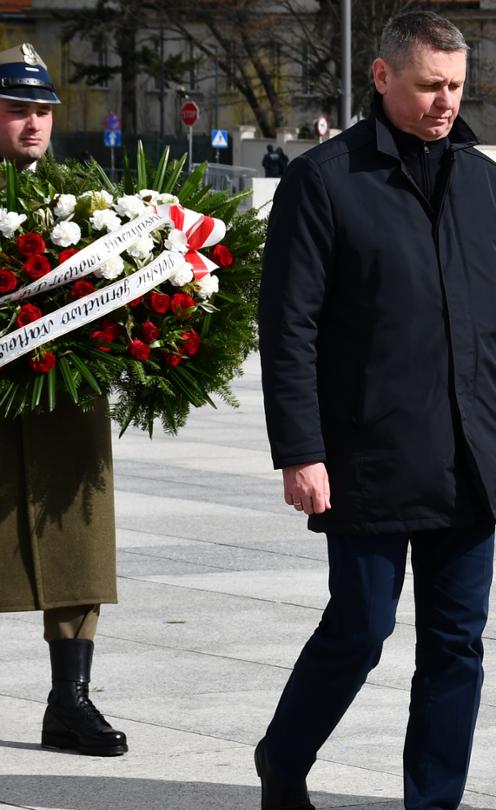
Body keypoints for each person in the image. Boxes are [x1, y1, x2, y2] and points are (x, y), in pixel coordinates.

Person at [254, 12, 496, 810]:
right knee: (361, 627)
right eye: (428, 86)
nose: (445, 102)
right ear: (382, 77)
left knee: (457, 644)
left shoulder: (484, 183)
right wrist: (300, 451)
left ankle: (433, 801)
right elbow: (289, 329)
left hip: (470, 458)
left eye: (455, 86)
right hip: (367, 457)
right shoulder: (323, 180)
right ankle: (284, 755)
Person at [0, 41, 130, 760]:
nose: (34, 124)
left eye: (42, 111)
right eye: (18, 109)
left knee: (74, 546)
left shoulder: (82, 198)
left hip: (65, 404)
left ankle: (69, 704)